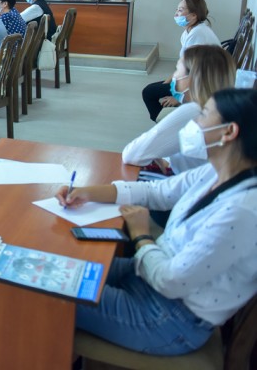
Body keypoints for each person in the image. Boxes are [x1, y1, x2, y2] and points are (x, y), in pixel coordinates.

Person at [57, 88, 257, 356]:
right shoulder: (217, 172)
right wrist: (88, 192)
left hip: (167, 318)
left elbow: (171, 281)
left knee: (44, 291)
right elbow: (156, 192)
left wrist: (141, 236)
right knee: (56, 265)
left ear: (229, 131)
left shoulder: (242, 211)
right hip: (149, 278)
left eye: (204, 115)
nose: (195, 122)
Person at [124, 45, 236, 175]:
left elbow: (132, 154)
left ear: (192, 78)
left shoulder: (194, 111)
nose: (174, 76)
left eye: (177, 70)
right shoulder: (222, 107)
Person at [141, 0, 221, 122]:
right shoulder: (189, 32)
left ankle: (169, 123)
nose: (176, 14)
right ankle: (169, 120)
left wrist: (179, 98)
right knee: (154, 88)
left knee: (149, 92)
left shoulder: (198, 33)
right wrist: (167, 83)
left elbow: (197, 71)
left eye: (180, 10)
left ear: (193, 15)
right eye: (177, 9)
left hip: (204, 84)